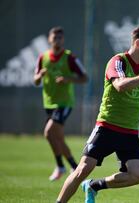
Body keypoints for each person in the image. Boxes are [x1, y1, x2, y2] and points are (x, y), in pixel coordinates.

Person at [56, 25, 139, 203]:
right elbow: (120, 85)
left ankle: (94, 186)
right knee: (83, 169)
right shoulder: (118, 61)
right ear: (138, 43)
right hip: (107, 127)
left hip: (130, 132)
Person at [33, 26, 88, 181]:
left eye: (60, 37)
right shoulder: (43, 58)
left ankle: (61, 166)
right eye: (54, 37)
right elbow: (36, 81)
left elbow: (84, 78)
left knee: (48, 132)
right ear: (49, 39)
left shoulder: (70, 58)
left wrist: (68, 79)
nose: (57, 40)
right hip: (49, 102)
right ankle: (74, 167)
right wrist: (39, 76)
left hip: (64, 103)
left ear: (63, 40)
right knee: (57, 137)